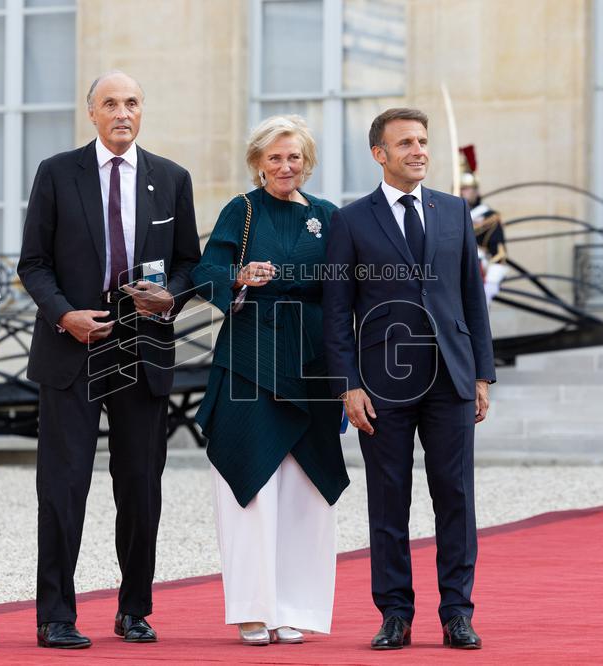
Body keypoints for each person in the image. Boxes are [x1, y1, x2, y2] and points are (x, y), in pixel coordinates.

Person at [18, 71, 201, 649]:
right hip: (72, 344)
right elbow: (33, 263)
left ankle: (134, 609)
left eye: (132, 103)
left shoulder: (171, 179)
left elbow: (189, 263)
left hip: (140, 346)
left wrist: (171, 294)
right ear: (91, 113)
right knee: (63, 486)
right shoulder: (56, 173)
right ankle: (55, 616)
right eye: (110, 104)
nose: (122, 112)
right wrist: (63, 314)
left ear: (142, 111)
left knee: (141, 484)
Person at [323, 108, 495, 650]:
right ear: (380, 154)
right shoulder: (349, 222)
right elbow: (337, 312)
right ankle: (394, 613)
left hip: (451, 377)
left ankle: (457, 614)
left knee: (456, 498)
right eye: (406, 144)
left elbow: (472, 296)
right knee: (389, 501)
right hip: (382, 385)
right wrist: (348, 384)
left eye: (423, 141)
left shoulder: (453, 211)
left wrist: (483, 374)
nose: (419, 150)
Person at [192, 115, 349, 646]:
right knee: (254, 485)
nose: (287, 166)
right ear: (258, 162)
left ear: (308, 161)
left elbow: (345, 286)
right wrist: (238, 276)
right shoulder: (243, 209)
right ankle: (254, 609)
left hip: (312, 364)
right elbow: (205, 271)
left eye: (296, 157)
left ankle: (293, 607)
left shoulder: (327, 216)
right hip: (251, 360)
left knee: (306, 488)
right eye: (276, 157)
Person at [457, 145, 509, 305]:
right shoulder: (449, 216)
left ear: (476, 191)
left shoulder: (489, 218)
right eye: (460, 189)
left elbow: (498, 254)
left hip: (478, 273)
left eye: (467, 189)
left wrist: (492, 282)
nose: (462, 192)